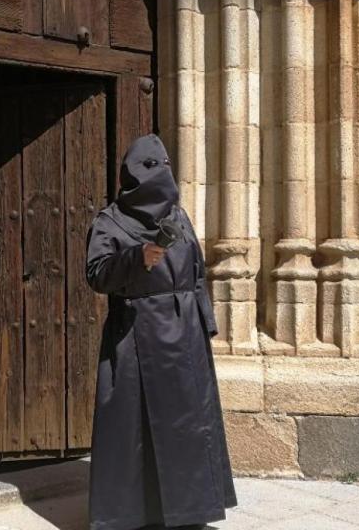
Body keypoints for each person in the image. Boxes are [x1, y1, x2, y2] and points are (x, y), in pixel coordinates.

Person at [85, 134, 237, 530]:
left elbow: (198, 271)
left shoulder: (178, 216)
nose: (161, 175)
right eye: (151, 167)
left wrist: (205, 322)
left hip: (185, 333)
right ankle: (134, 513)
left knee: (188, 424)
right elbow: (97, 273)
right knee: (135, 426)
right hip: (137, 334)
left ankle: (190, 511)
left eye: (164, 165)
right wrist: (137, 258)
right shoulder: (110, 220)